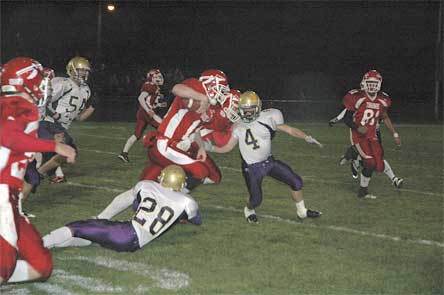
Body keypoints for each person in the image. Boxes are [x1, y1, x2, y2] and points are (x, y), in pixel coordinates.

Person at [0, 57, 76, 284]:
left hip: (11, 197)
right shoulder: (18, 105)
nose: (44, 85)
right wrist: (53, 146)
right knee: (3, 265)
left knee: (40, 266)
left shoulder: (11, 105)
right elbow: (8, 136)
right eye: (40, 79)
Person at [210, 91, 322, 223]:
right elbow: (227, 147)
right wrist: (209, 148)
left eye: (250, 110)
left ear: (258, 108)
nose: (247, 114)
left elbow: (289, 129)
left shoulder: (267, 119)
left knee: (296, 181)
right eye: (244, 111)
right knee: (256, 200)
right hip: (251, 168)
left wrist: (306, 137)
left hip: (269, 162)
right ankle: (249, 210)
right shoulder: (237, 126)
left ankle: (302, 211)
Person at [42, 165, 201, 252]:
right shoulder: (187, 202)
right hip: (135, 242)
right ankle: (53, 245)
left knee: (76, 226)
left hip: (127, 233)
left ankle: (38, 245)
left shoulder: (147, 185)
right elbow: (196, 220)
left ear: (163, 177)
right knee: (91, 236)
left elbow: (131, 203)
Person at [140, 69, 230, 189]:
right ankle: (169, 198)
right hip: (165, 144)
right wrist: (203, 97)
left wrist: (202, 147)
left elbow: (196, 129)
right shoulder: (196, 86)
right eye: (221, 87)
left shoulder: (209, 106)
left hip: (174, 148)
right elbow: (176, 88)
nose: (223, 92)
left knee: (143, 186)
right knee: (200, 171)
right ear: (210, 83)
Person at [341, 70, 401, 199]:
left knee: (378, 166)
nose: (372, 86)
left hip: (372, 135)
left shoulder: (382, 99)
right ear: (364, 83)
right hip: (358, 136)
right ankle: (362, 191)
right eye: (370, 83)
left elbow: (384, 116)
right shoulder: (357, 97)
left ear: (379, 84)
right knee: (369, 162)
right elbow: (346, 118)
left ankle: (352, 156)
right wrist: (357, 127)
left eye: (375, 83)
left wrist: (394, 134)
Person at [37, 56, 95, 183]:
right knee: (63, 149)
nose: (83, 73)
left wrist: (93, 108)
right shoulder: (63, 83)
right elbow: (44, 101)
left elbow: (79, 117)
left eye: (86, 71)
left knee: (61, 151)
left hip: (62, 126)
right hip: (49, 122)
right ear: (72, 69)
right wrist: (54, 114)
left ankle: (43, 173)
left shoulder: (86, 90)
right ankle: (43, 173)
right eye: (80, 70)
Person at [329, 107, 403, 188]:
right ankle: (354, 159)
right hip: (359, 132)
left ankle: (394, 179)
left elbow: (384, 116)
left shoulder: (379, 98)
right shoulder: (359, 98)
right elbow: (348, 109)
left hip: (374, 132)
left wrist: (395, 134)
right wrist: (336, 119)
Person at [118, 69, 167, 163]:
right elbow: (140, 98)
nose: (159, 78)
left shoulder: (154, 86)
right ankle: (159, 151)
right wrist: (149, 110)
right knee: (164, 128)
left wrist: (158, 105)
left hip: (142, 112)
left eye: (159, 76)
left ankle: (124, 153)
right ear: (151, 77)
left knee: (137, 134)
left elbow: (149, 101)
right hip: (146, 113)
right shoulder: (150, 86)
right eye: (156, 77)